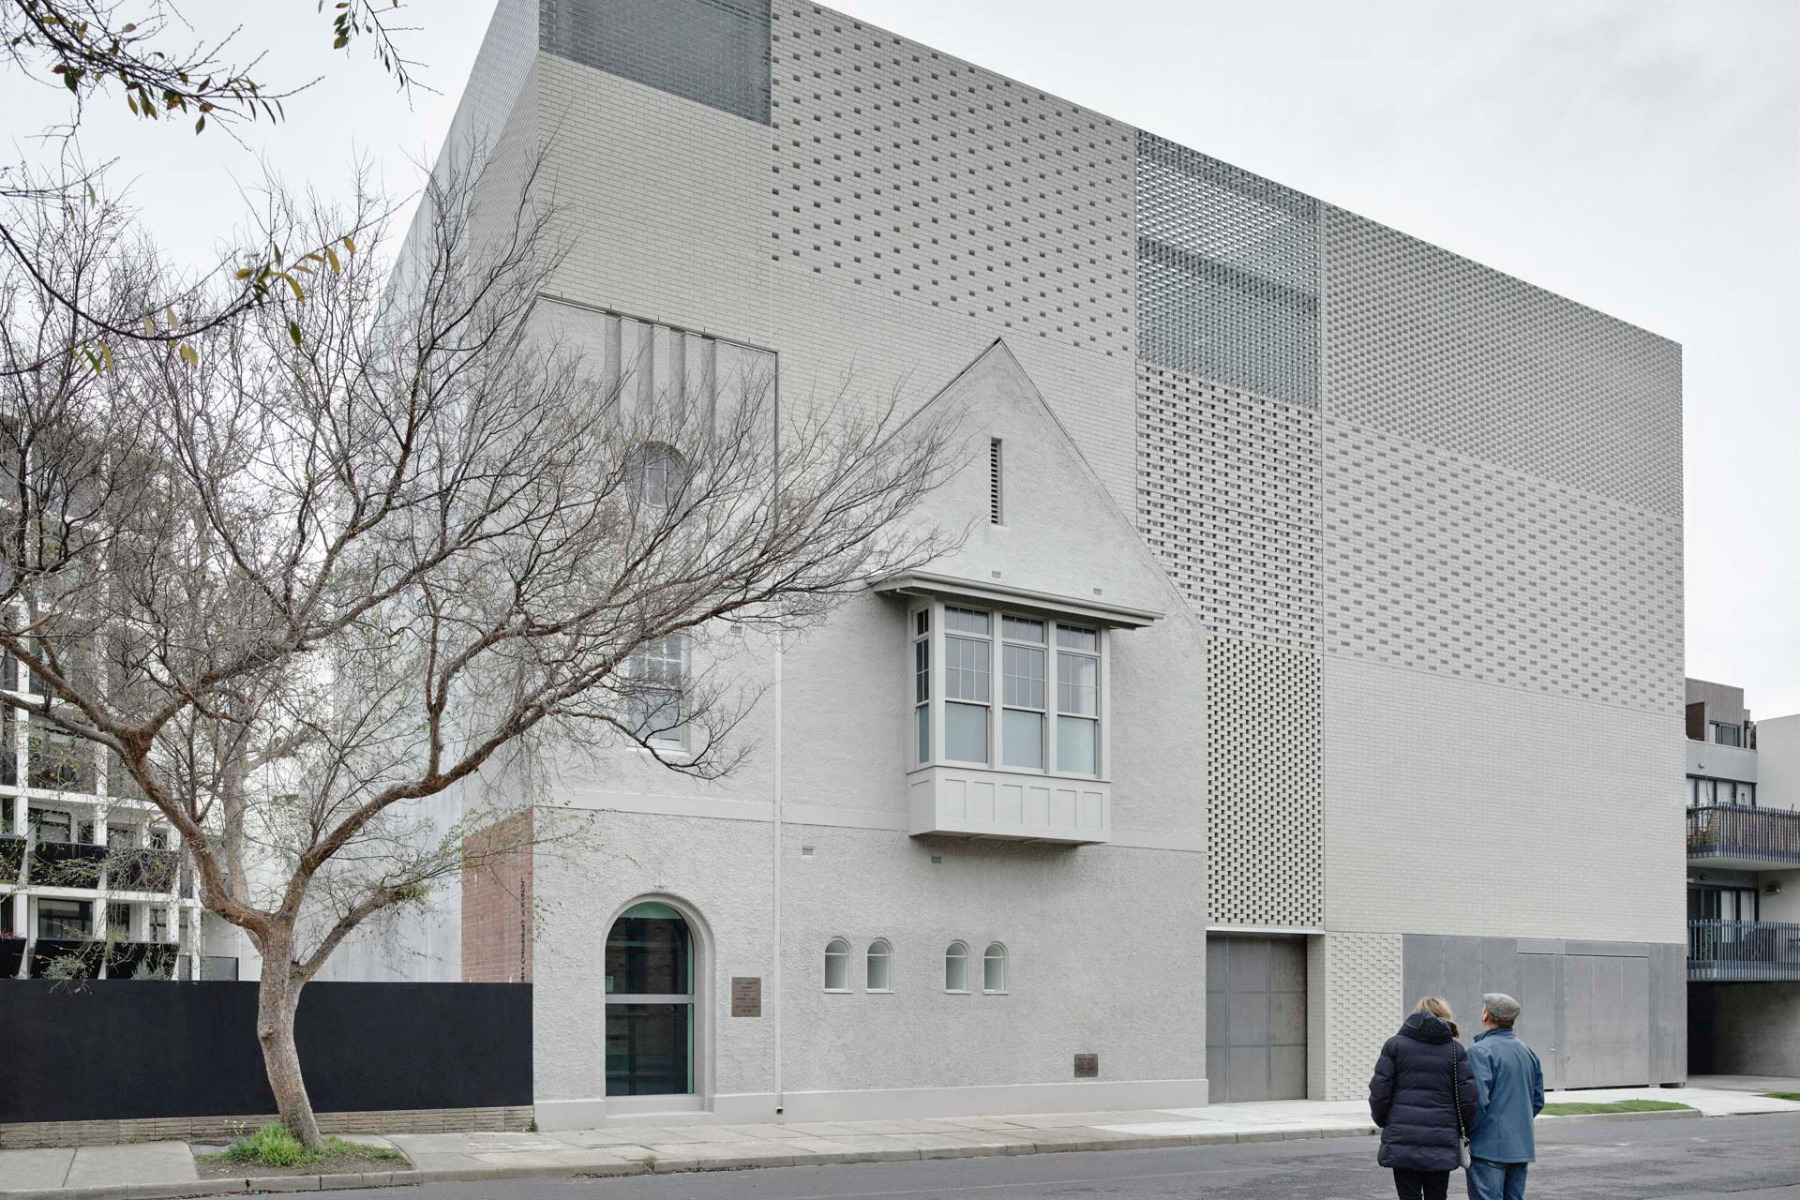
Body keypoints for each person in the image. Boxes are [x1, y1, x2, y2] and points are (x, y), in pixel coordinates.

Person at [1370, 996, 1481, 1200]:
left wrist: (1385, 1120)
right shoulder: (1455, 1050)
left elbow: (1379, 1092)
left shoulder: (1394, 1045)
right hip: (1442, 1137)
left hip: (1403, 1135)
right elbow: (1468, 1099)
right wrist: (1463, 1126)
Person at [1465, 993, 1545, 1200]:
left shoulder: (1479, 1051)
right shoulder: (1527, 1052)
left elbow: (1476, 1102)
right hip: (1520, 1146)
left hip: (1488, 1146)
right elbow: (1537, 1100)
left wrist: (1469, 1133)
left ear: (1486, 1015)